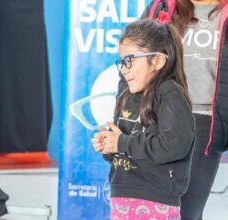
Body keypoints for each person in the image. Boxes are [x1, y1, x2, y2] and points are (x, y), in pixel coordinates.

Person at [91, 19, 195, 219]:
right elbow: (124, 146)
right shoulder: (127, 94)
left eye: (130, 60)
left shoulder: (170, 93)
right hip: (121, 195)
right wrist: (110, 146)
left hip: (156, 200)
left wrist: (122, 142)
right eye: (122, 62)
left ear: (157, 60)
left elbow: (174, 145)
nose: (124, 69)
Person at [135, 1, 228, 219]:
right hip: (156, 116)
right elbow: (134, 56)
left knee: (184, 211)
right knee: (148, 209)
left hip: (205, 121)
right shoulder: (161, 6)